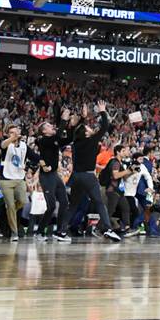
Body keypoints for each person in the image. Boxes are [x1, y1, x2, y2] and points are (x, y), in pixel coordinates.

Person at [58, 102, 122, 242]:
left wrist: (83, 118)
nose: (91, 129)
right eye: (89, 128)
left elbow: (77, 131)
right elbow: (104, 127)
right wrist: (103, 111)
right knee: (99, 203)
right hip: (88, 176)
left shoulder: (76, 143)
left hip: (76, 176)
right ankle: (108, 229)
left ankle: (61, 231)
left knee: (73, 205)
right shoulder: (91, 140)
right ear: (86, 134)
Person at [36, 113, 72, 242]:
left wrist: (71, 125)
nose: (52, 127)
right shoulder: (43, 140)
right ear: (44, 131)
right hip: (46, 176)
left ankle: (59, 232)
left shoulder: (54, 140)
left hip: (54, 175)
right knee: (51, 206)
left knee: (65, 203)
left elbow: (68, 139)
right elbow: (57, 136)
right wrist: (63, 120)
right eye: (49, 126)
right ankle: (40, 231)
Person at [0, 125, 34, 242]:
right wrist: (12, 138)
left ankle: (10, 210)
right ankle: (14, 233)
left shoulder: (24, 146)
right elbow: (2, 145)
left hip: (19, 178)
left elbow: (34, 156)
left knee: (23, 202)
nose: (13, 134)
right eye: (11, 133)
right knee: (10, 205)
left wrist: (44, 161)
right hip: (5, 179)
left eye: (15, 132)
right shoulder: (6, 144)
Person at [100, 144, 134, 235]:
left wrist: (131, 171)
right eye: (123, 151)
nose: (124, 152)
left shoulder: (119, 163)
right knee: (110, 211)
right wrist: (127, 171)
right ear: (118, 152)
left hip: (118, 191)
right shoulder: (115, 162)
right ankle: (100, 228)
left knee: (126, 207)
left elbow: (124, 177)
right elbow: (115, 175)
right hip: (113, 191)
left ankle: (127, 228)